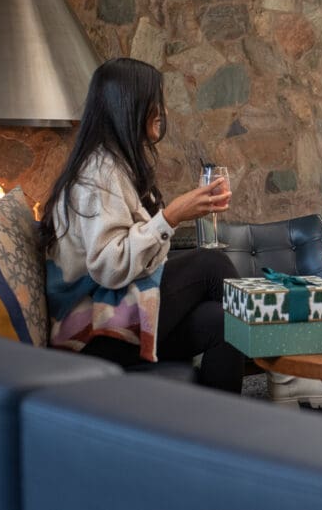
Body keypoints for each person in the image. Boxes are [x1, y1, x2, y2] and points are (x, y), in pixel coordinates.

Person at [40, 57, 244, 393]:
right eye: (153, 101)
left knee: (225, 323)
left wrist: (168, 220)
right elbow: (109, 266)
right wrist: (171, 217)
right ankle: (279, 357)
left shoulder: (116, 165)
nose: (161, 110)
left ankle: (220, 422)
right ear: (128, 106)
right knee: (211, 264)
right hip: (91, 334)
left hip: (114, 311)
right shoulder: (98, 174)